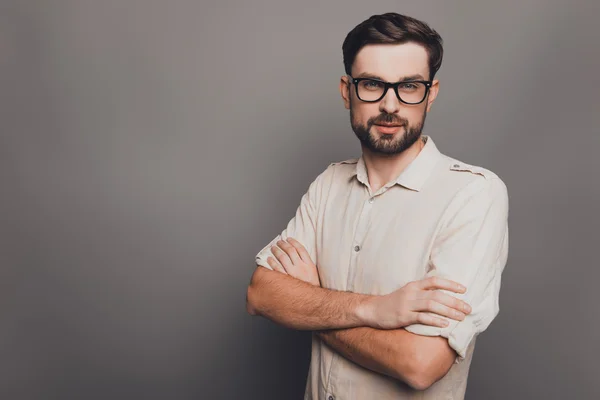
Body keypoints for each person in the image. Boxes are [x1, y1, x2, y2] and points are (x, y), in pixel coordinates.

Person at [246, 12, 509, 400]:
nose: (390, 104)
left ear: (430, 93)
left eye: (409, 86)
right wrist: (376, 310)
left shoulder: (472, 195)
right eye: (371, 84)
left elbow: (420, 364)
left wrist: (311, 305)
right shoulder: (328, 185)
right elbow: (261, 295)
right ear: (346, 90)